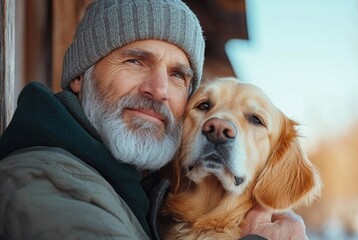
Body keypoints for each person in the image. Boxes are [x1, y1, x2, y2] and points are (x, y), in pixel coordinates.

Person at [0, 0, 308, 239]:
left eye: (177, 75)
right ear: (81, 75)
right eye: (135, 61)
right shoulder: (47, 181)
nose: (158, 90)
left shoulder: (132, 194)